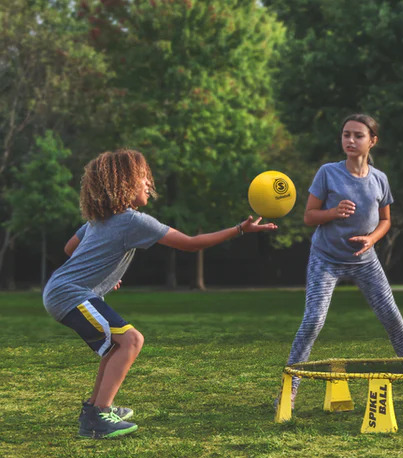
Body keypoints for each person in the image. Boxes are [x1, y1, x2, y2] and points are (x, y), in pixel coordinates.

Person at [43, 149, 277, 439]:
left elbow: (69, 249)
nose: (148, 185)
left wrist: (102, 274)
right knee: (131, 340)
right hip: (70, 294)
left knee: (118, 345)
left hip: (64, 290)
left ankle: (95, 409)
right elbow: (191, 244)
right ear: (124, 183)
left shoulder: (98, 220)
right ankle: (98, 418)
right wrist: (240, 229)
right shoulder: (133, 221)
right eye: (142, 178)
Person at [277, 113, 403, 409]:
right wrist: (332, 213)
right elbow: (308, 216)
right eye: (346, 135)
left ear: (372, 141)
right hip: (325, 259)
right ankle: (289, 389)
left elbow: (385, 220)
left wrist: (371, 240)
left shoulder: (380, 179)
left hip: (365, 260)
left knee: (393, 318)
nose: (350, 140)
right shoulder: (328, 173)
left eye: (358, 135)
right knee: (313, 320)